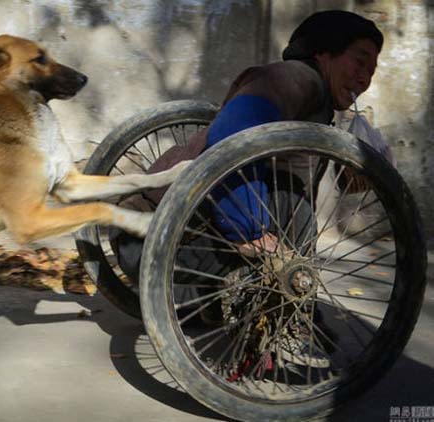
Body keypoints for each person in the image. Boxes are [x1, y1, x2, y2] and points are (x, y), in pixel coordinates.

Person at [110, 10, 383, 368]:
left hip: (158, 240)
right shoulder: (295, 78)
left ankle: (276, 310)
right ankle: (281, 316)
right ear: (323, 53)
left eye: (372, 72)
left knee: (288, 195)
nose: (364, 79)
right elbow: (233, 134)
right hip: (151, 239)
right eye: (359, 62)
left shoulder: (315, 107)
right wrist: (249, 230)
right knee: (289, 198)